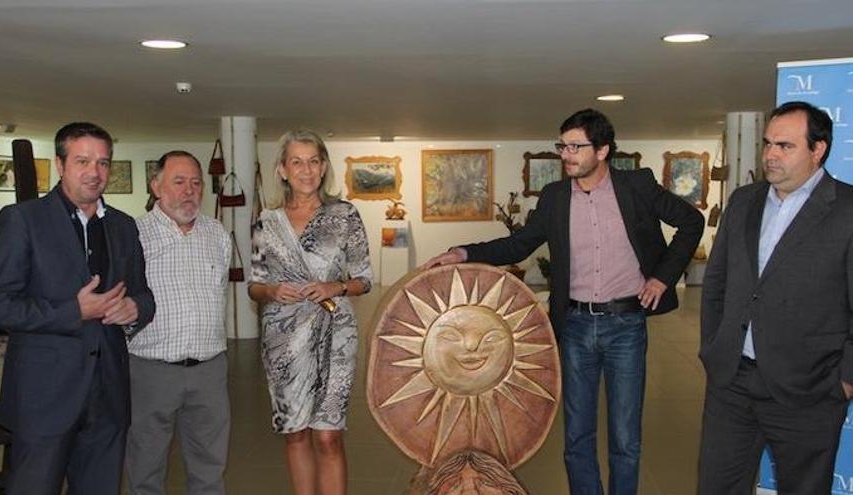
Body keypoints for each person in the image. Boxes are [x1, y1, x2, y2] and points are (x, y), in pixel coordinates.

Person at [425, 109, 704, 495]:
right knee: (576, 438)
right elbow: (519, 243)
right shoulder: (555, 197)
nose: (566, 154)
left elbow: (692, 221)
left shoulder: (637, 186)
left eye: (576, 146)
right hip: (572, 327)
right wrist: (464, 252)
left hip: (625, 326)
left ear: (603, 150)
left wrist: (662, 277)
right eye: (562, 146)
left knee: (625, 439)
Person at [0, 122, 155, 494]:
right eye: (83, 161)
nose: (95, 172)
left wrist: (134, 309)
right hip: (44, 399)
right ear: (60, 165)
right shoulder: (22, 220)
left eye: (103, 163)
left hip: (108, 397)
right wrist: (73, 311)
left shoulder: (123, 226)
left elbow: (144, 295)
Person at [698, 101, 853, 494]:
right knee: (716, 485)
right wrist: (714, 348)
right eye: (767, 143)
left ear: (818, 150)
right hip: (732, 381)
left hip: (809, 387)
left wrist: (846, 380)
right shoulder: (744, 201)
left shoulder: (848, 209)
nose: (770, 154)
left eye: (785, 146)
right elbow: (716, 282)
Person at [248, 129, 373, 495]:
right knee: (296, 432)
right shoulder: (266, 222)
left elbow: (364, 278)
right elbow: (254, 286)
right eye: (297, 162)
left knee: (328, 436)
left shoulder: (344, 215)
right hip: (284, 339)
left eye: (313, 161)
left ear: (324, 168)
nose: (306, 170)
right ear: (283, 170)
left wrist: (336, 286)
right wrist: (272, 290)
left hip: (336, 334)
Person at [124, 151, 232, 494]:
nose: (190, 190)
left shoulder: (218, 235)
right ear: (157, 186)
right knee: (145, 466)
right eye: (179, 182)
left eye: (196, 183)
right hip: (151, 371)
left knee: (209, 468)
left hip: (210, 372)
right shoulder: (133, 236)